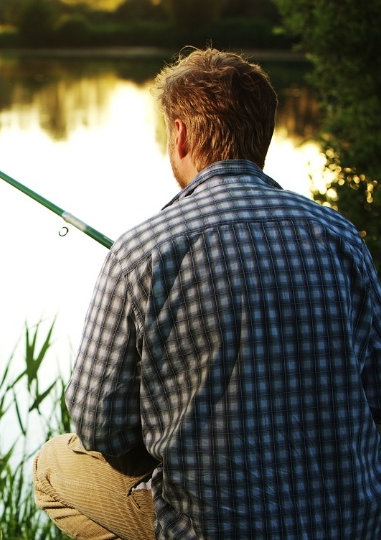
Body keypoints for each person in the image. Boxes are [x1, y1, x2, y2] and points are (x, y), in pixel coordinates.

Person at [33, 47, 381, 539]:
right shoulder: (343, 237)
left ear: (179, 134)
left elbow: (98, 427)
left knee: (51, 467)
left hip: (211, 528)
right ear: (264, 135)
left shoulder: (141, 250)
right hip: (351, 526)